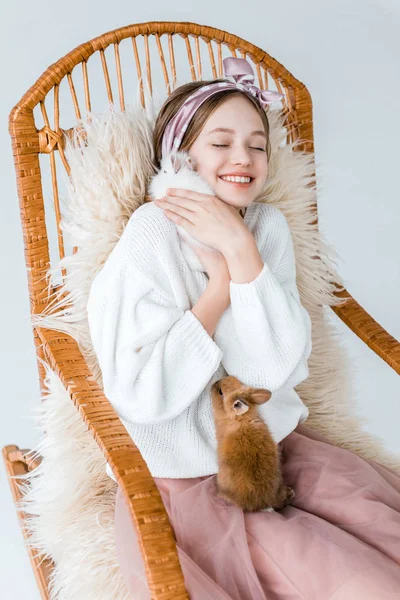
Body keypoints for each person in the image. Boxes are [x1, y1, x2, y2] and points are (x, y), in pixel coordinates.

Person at [87, 58, 400, 599]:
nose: (244, 158)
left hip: (278, 448)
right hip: (186, 480)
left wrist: (241, 249)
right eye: (221, 143)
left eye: (257, 144)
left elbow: (273, 370)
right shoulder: (148, 238)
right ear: (180, 159)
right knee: (366, 586)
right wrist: (219, 287)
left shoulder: (265, 228)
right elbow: (142, 392)